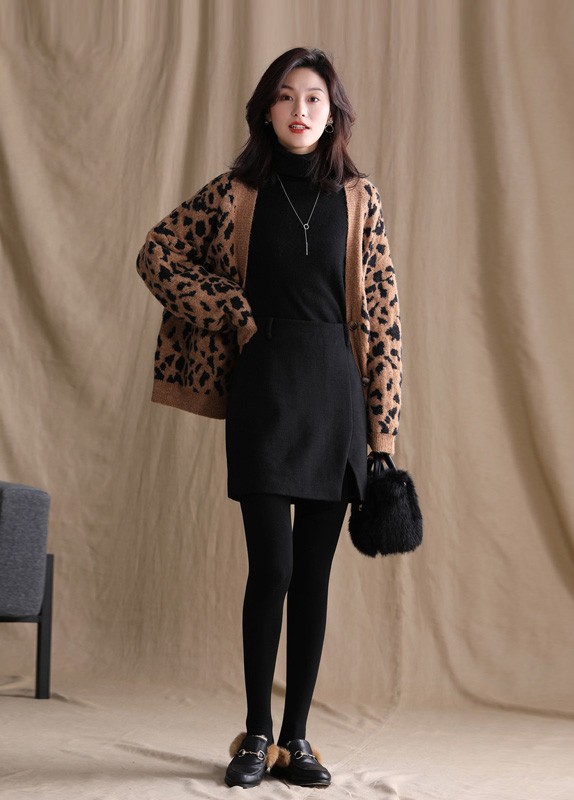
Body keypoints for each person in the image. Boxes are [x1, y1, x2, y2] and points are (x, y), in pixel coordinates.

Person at [136, 46, 402, 790]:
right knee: (273, 567)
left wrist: (382, 434)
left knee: (312, 575)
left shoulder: (360, 199)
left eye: (313, 98)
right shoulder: (236, 192)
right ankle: (256, 733)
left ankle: (297, 738)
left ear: (333, 112)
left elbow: (385, 318)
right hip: (264, 392)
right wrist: (230, 307)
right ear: (267, 110)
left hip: (336, 396)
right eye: (286, 97)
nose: (299, 110)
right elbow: (157, 253)